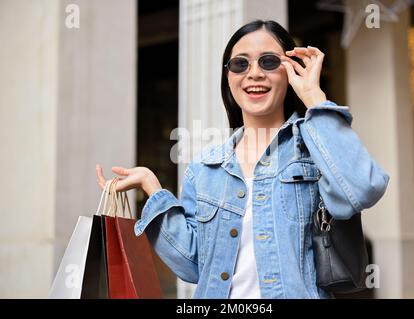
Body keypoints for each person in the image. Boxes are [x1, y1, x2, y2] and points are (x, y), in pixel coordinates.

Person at [96, 20, 389, 299]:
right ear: (229, 77)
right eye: (241, 64)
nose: (254, 73)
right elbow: (192, 265)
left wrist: (314, 96)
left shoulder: (314, 150)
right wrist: (153, 189)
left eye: (269, 62)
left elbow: (363, 188)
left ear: (290, 71)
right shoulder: (205, 168)